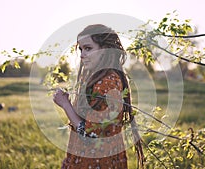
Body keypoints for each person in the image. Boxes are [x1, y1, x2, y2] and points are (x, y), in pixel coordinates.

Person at [53, 24, 144, 169]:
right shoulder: (93, 78)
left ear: (105, 51)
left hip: (99, 161)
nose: (82, 55)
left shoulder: (108, 82)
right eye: (81, 49)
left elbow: (91, 135)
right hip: (85, 158)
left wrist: (65, 105)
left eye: (88, 48)